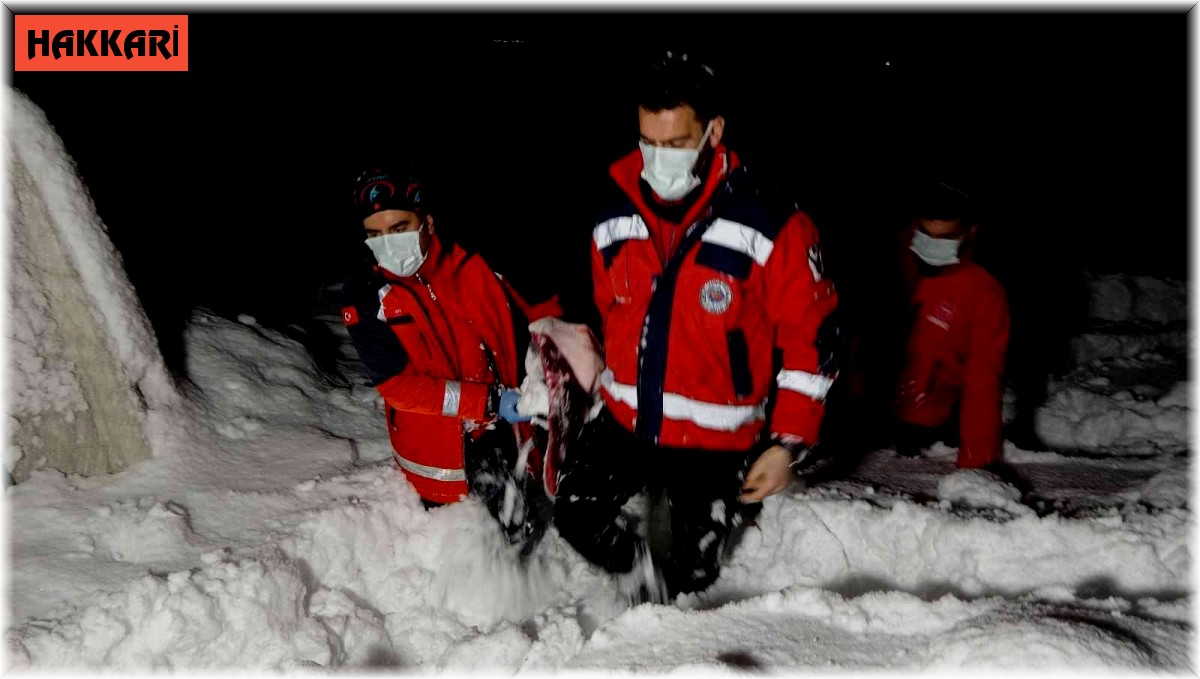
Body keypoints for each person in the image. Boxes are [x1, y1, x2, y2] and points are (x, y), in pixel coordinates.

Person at [552, 52, 840, 602]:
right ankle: (641, 586)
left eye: (677, 143)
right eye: (648, 141)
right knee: (574, 515)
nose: (659, 158)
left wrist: (786, 443)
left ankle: (666, 619)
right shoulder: (613, 206)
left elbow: (814, 341)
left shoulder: (773, 220)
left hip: (716, 437)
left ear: (714, 132)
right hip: (627, 418)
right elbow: (610, 307)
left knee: (696, 574)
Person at [339, 166, 561, 553]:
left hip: (508, 418)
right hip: (438, 442)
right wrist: (487, 402)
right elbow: (398, 388)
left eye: (398, 228)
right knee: (486, 531)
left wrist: (548, 364)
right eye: (374, 235)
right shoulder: (365, 293)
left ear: (427, 222)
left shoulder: (475, 256)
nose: (387, 244)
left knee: (529, 508)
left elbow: (546, 308)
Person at [892, 181, 1011, 470]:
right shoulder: (895, 254)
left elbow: (983, 378)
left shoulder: (984, 291)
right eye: (924, 235)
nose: (930, 248)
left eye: (943, 240)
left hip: (931, 422)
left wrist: (976, 464)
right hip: (867, 413)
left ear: (971, 231)